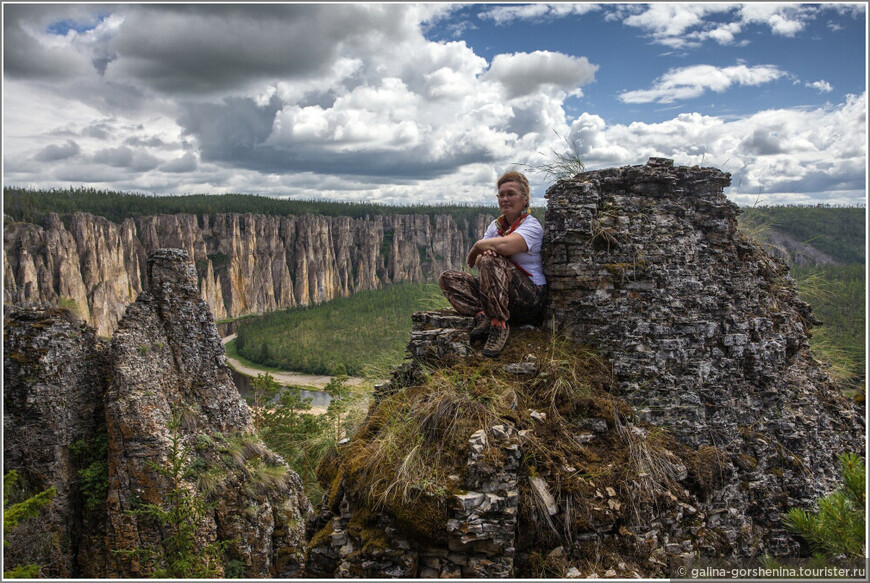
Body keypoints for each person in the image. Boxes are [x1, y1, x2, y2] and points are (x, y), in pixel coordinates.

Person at [438, 171, 547, 357]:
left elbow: (506, 246)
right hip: (497, 293)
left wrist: (479, 247)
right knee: (448, 279)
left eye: (511, 194)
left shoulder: (531, 226)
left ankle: (499, 325)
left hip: (528, 297)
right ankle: (484, 315)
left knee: (490, 260)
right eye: (501, 195)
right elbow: (479, 262)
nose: (505, 199)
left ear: (525, 199)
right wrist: (485, 253)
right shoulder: (495, 226)